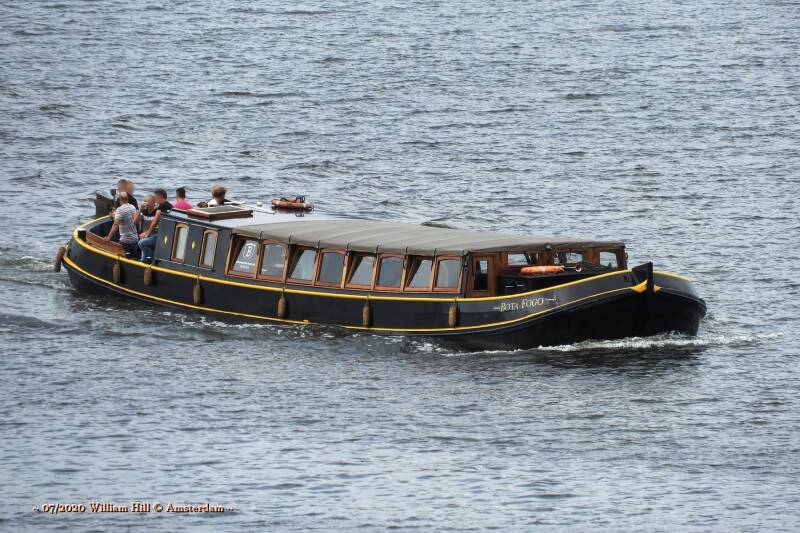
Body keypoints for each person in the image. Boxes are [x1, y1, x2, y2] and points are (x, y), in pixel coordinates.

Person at [138, 189, 173, 262]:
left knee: (142, 243)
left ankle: (151, 259)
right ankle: (145, 259)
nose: (155, 199)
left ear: (160, 197)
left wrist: (148, 234)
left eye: (156, 197)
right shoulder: (170, 206)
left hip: (161, 235)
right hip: (168, 234)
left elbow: (154, 222)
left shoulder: (161, 207)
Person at [103, 192, 138, 256]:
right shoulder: (132, 207)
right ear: (127, 199)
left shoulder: (119, 210)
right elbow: (131, 219)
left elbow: (115, 225)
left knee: (115, 255)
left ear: (119, 200)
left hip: (125, 241)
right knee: (132, 257)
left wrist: (108, 237)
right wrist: (116, 216)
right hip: (135, 239)